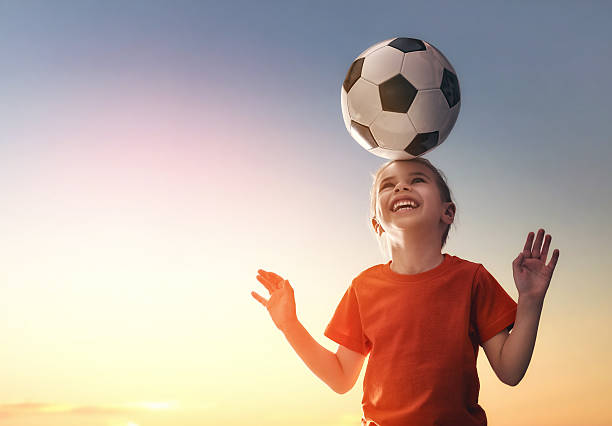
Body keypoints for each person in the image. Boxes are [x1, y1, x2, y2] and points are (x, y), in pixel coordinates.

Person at [251, 157, 560, 426]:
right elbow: (340, 377)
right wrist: (289, 325)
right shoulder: (363, 288)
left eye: (417, 180)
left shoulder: (472, 279)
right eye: (388, 185)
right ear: (377, 224)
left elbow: (510, 370)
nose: (400, 188)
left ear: (447, 211)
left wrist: (530, 301)